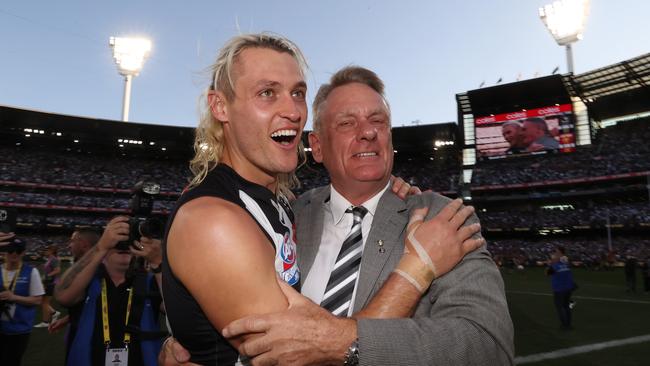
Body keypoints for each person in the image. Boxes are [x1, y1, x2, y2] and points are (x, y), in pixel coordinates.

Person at [160, 35, 485, 366]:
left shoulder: (287, 208)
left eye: (297, 93)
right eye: (267, 93)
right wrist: (415, 271)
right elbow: (302, 352)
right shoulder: (215, 221)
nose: (291, 110)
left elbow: (486, 344)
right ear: (220, 106)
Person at [54, 217, 164, 366]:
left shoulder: (151, 281)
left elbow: (178, 315)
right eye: (119, 238)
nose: (125, 244)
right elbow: (63, 295)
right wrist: (101, 247)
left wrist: (158, 263)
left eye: (131, 239)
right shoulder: (88, 280)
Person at [48, 229, 100, 362]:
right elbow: (86, 303)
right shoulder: (88, 266)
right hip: (79, 327)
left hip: (89, 334)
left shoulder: (97, 270)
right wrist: (67, 319)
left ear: (83, 244)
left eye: (72, 240)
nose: (69, 245)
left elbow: (61, 295)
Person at [0, 235, 45, 366]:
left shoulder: (31, 272)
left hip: (18, 330)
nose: (14, 254)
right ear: (5, 251)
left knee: (11, 361)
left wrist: (14, 297)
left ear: (23, 253)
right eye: (11, 250)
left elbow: (37, 300)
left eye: (18, 251)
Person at [545, 246, 576, 330]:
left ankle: (564, 325)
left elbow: (547, 273)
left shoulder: (555, 266)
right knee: (567, 306)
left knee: (560, 307)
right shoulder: (566, 265)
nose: (555, 255)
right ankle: (569, 324)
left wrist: (549, 264)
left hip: (559, 290)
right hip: (568, 289)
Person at [33, 245, 61, 328]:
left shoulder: (54, 259)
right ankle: (50, 316)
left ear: (51, 251)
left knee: (44, 302)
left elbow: (57, 270)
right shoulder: (50, 259)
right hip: (47, 283)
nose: (45, 251)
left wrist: (46, 276)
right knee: (43, 302)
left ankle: (49, 318)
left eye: (47, 250)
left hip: (51, 283)